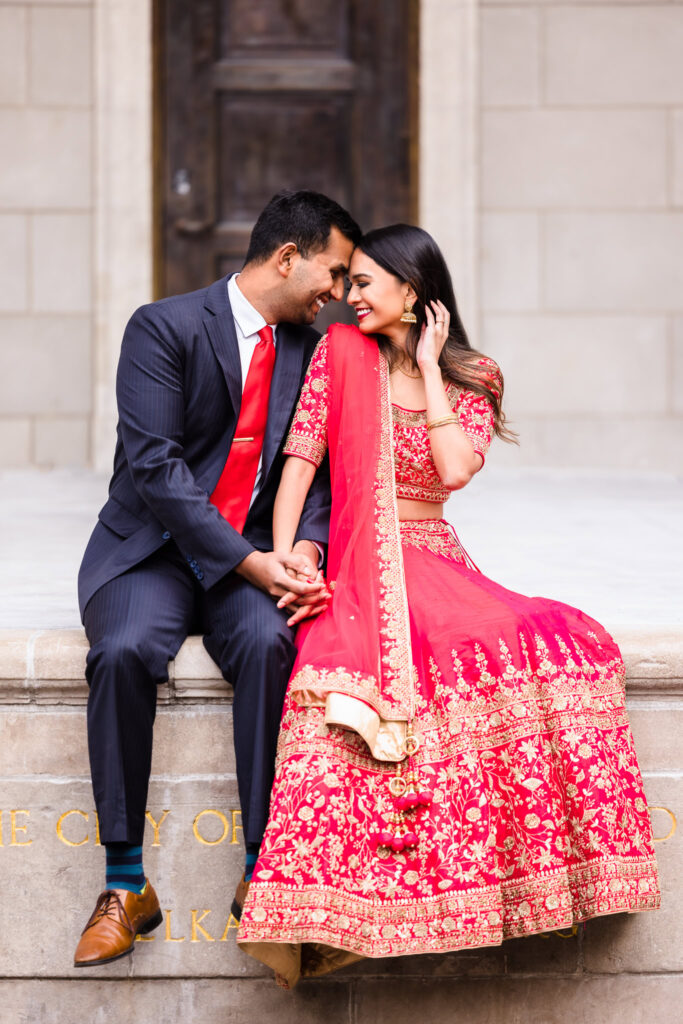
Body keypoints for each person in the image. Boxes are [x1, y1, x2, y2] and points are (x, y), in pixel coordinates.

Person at [236, 224, 660, 987]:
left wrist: (430, 369)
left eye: (365, 283)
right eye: (349, 281)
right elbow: (300, 460)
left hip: (434, 553)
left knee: (559, 641)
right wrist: (290, 555)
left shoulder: (473, 374)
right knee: (371, 684)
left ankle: (534, 876)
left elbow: (455, 470)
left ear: (412, 290)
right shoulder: (340, 354)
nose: (348, 295)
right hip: (363, 557)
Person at [72, 190, 361, 967]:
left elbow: (323, 475)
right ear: (286, 256)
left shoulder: (312, 354)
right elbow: (158, 472)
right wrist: (251, 559)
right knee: (124, 651)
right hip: (151, 551)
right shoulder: (161, 328)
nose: (337, 291)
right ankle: (124, 882)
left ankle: (261, 870)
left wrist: (304, 550)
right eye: (332, 271)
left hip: (251, 562)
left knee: (272, 642)